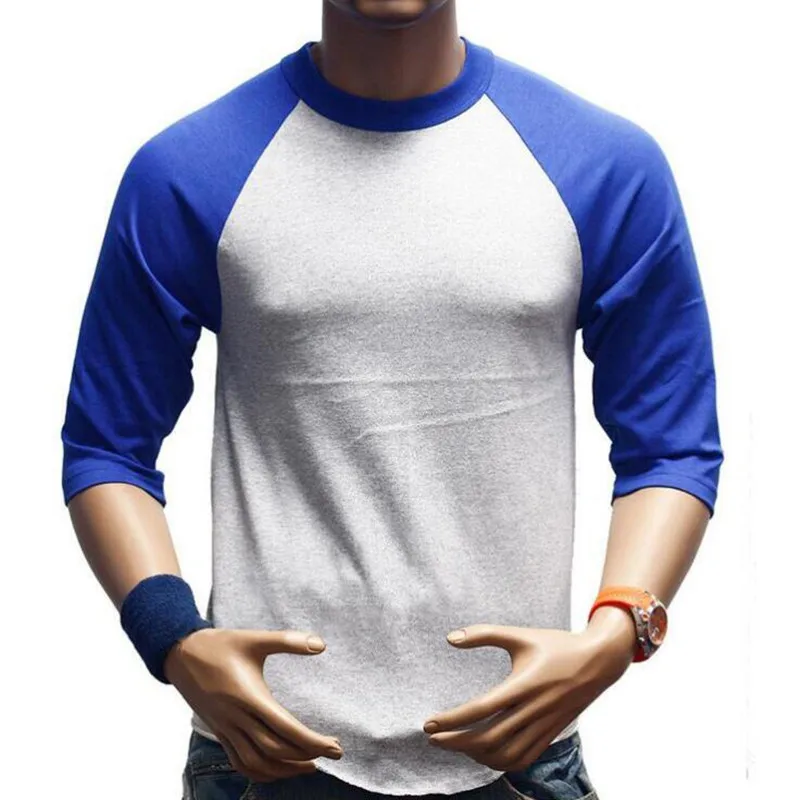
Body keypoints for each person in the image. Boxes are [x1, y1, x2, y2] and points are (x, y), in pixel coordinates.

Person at [60, 1, 723, 798]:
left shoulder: (604, 166)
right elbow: (106, 446)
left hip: (519, 755)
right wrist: (173, 639)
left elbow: (670, 446)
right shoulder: (190, 170)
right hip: (264, 754)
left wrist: (617, 634)